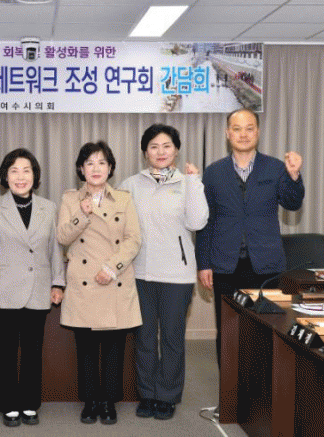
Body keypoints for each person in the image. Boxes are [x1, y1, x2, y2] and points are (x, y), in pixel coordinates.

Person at [195, 108, 304, 365]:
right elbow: (205, 222)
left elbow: (292, 203)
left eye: (249, 128)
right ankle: (229, 391)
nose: (243, 134)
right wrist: (204, 263)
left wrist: (294, 176)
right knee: (228, 333)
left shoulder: (276, 167)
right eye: (237, 129)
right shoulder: (213, 172)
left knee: (265, 332)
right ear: (227, 133)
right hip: (225, 266)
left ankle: (262, 391)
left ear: (258, 131)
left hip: (266, 266)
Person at [0, 148, 65, 427]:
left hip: (38, 287)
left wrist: (58, 282)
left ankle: (30, 404)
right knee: (7, 351)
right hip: (5, 289)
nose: (20, 176)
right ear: (5, 176)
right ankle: (8, 404)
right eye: (14, 171)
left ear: (34, 175)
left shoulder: (48, 207)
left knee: (34, 351)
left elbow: (54, 248)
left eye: (26, 170)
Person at [119, 124, 208, 420]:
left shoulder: (187, 182)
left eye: (167, 146)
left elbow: (197, 222)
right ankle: (147, 394)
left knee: (172, 338)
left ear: (176, 150)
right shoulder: (130, 185)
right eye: (154, 146)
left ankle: (167, 396)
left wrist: (194, 183)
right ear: (145, 152)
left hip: (176, 276)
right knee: (144, 338)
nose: (160, 152)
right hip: (139, 273)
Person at [57, 141, 142, 426]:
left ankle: (108, 402)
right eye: (90, 163)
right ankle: (90, 400)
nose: (96, 168)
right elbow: (62, 237)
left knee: (114, 348)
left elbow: (133, 239)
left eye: (102, 163)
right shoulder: (70, 199)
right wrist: (82, 214)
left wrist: (112, 268)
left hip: (114, 279)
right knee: (87, 348)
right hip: (83, 284)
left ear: (110, 168)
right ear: (81, 169)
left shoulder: (124, 199)